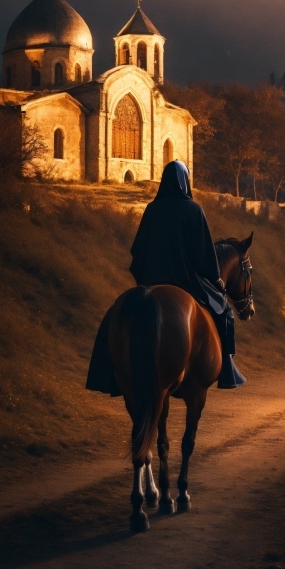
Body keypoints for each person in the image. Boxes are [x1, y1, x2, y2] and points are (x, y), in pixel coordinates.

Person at [86, 161, 245, 394]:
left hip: (151, 280)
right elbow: (204, 254)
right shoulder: (194, 209)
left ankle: (106, 376)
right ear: (185, 181)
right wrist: (214, 278)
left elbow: (138, 250)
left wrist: (146, 276)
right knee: (224, 311)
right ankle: (226, 370)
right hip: (188, 281)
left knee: (114, 316)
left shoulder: (152, 209)